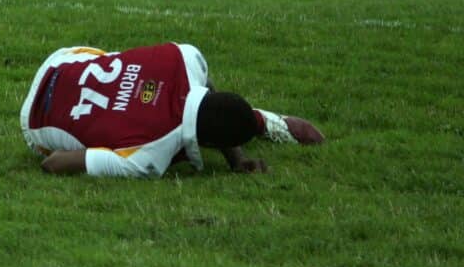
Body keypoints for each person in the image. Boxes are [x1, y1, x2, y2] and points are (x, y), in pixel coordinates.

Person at [20, 41, 323, 178]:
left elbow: (206, 81)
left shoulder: (186, 56)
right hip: (34, 122)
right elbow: (54, 163)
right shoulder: (150, 158)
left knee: (123, 64)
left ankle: (257, 122)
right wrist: (236, 158)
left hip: (61, 61)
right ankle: (258, 123)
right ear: (210, 144)